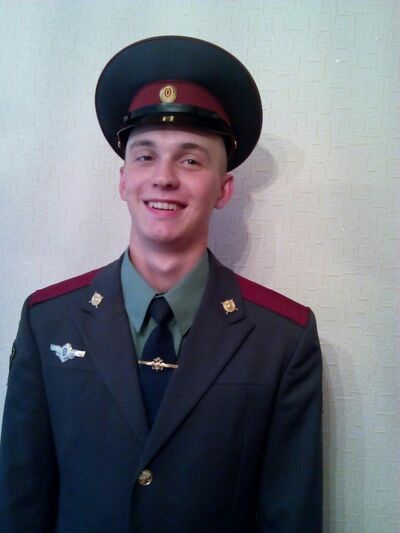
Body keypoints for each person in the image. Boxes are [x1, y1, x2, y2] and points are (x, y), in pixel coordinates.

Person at [0, 36, 322, 532]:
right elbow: (20, 503)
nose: (163, 178)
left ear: (223, 189)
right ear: (123, 180)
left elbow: (290, 514)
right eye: (145, 156)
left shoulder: (282, 339)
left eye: (190, 160)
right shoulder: (48, 322)